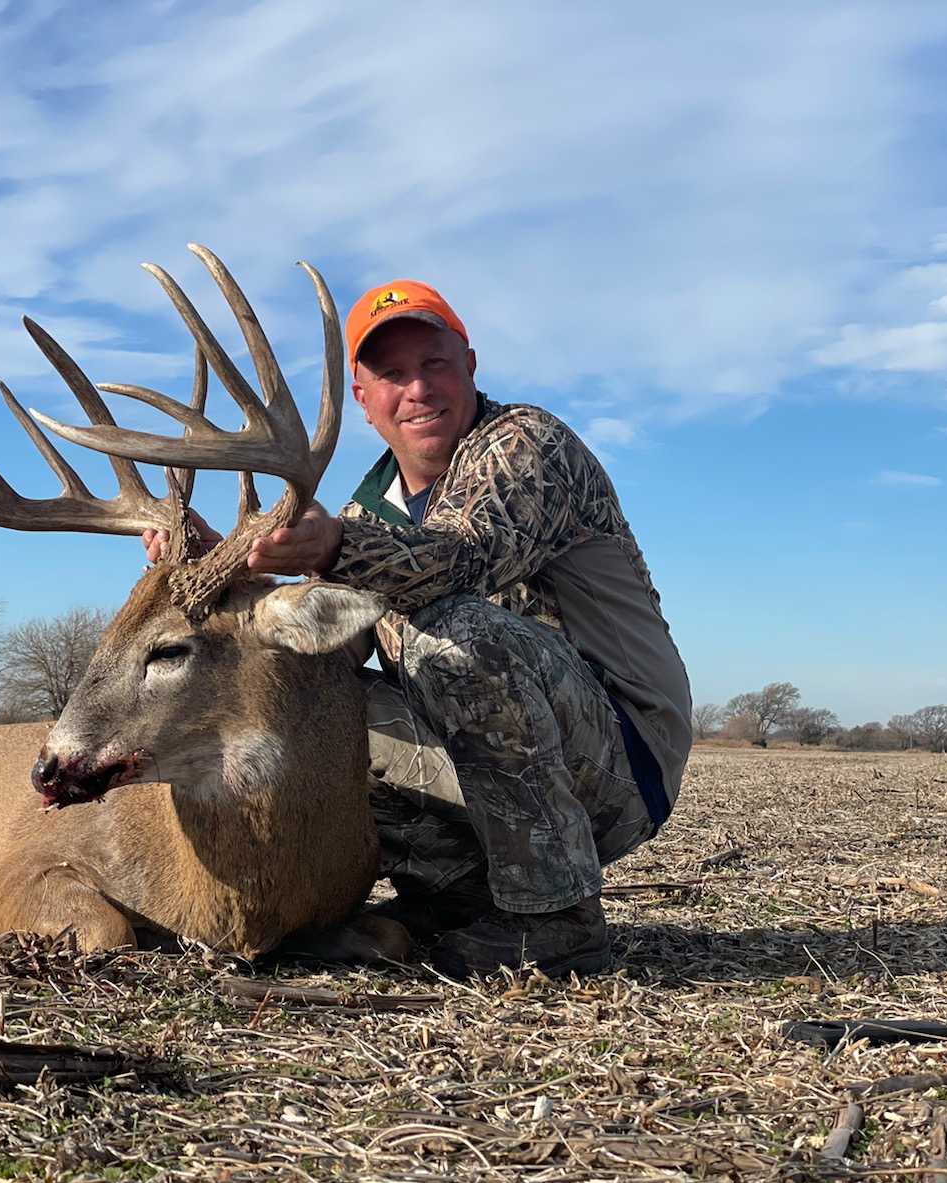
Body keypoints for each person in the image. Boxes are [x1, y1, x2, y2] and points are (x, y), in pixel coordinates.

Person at [151, 279, 692, 979]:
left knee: (452, 633)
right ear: (364, 396)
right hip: (483, 777)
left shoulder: (528, 446)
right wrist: (228, 564)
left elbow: (462, 560)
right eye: (392, 374)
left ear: (468, 362)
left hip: (617, 763)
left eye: (434, 363)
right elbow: (327, 647)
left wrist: (334, 546)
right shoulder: (365, 510)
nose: (418, 389)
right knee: (310, 703)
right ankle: (454, 898)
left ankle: (557, 918)